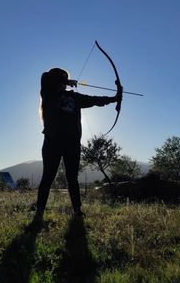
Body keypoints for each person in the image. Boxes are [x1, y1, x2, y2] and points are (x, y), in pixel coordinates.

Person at [34, 67, 121, 221]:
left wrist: (115, 98)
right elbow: (45, 77)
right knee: (48, 177)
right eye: (61, 80)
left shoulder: (74, 97)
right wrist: (65, 80)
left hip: (72, 142)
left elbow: (94, 100)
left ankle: (77, 210)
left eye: (64, 81)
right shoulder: (48, 94)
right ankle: (39, 212)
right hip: (52, 140)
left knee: (72, 178)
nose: (64, 84)